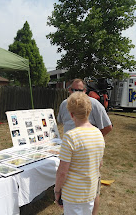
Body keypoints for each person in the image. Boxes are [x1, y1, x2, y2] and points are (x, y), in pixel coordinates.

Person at [57, 78, 113, 215]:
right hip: (87, 193)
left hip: (73, 195)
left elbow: (63, 172)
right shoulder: (97, 135)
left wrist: (57, 191)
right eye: (74, 90)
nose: (77, 93)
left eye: (80, 90)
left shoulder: (70, 137)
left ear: (71, 115)